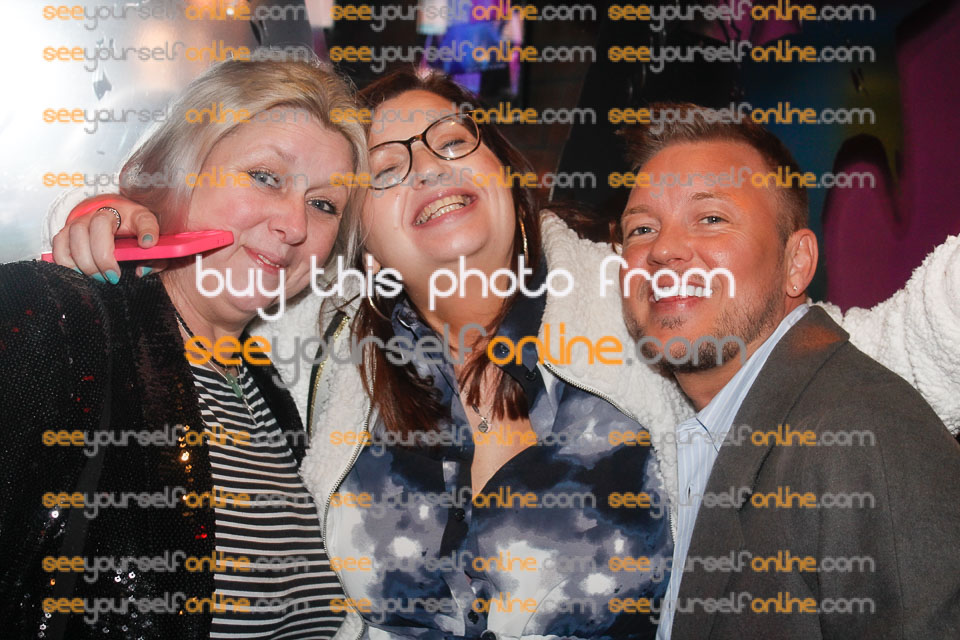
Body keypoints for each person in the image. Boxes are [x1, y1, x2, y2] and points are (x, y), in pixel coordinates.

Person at [53, 73, 960, 640]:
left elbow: (848, 352)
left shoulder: (637, 293)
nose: (429, 166)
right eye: (389, 166)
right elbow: (203, 300)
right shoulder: (322, 350)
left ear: (507, 176)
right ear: (361, 235)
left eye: (454, 141)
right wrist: (126, 228)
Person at [0, 57, 368, 640]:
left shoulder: (273, 392)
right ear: (177, 176)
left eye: (324, 205)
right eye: (266, 177)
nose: (294, 225)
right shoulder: (58, 320)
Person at [614, 103, 960, 639]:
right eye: (641, 228)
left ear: (796, 263)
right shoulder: (702, 436)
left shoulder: (861, 434)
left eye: (711, 218)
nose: (663, 249)